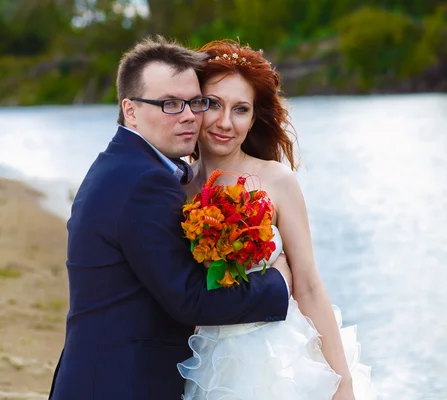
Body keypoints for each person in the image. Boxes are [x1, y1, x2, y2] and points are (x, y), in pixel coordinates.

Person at [48, 36, 293, 400]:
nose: (189, 116)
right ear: (130, 110)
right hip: (121, 383)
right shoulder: (144, 181)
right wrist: (279, 284)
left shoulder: (124, 164)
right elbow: (189, 299)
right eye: (169, 104)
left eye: (195, 102)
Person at [178, 40, 376, 399]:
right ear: (195, 107)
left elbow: (309, 284)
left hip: (283, 359)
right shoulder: (178, 187)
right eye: (213, 104)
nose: (225, 122)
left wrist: (342, 384)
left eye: (240, 109)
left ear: (253, 119)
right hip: (206, 360)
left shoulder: (276, 180)